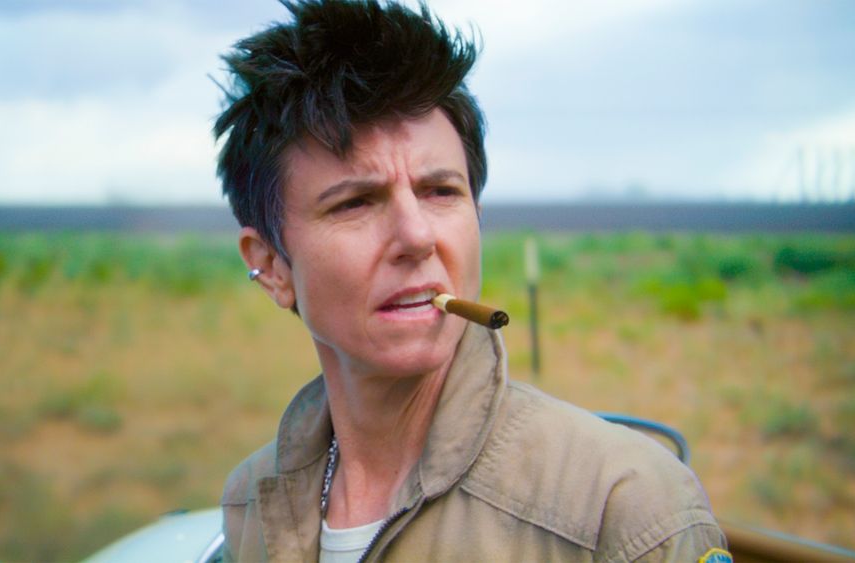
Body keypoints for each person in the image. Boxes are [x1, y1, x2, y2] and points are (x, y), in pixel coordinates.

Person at [213, 1, 730, 561]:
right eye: (355, 202)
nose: (417, 236)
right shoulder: (250, 505)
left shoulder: (623, 509)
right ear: (270, 266)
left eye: (441, 192)